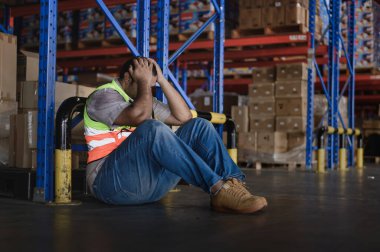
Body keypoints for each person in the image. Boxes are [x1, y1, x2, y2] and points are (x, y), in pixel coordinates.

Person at [84, 57, 268, 214]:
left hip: (148, 187)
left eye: (151, 84)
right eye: (145, 82)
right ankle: (217, 188)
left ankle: (234, 186)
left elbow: (184, 117)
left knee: (199, 125)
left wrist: (162, 81)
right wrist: (144, 83)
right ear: (127, 77)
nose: (149, 87)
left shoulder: (144, 100)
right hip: (110, 186)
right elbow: (139, 116)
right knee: (152, 128)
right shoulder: (103, 96)